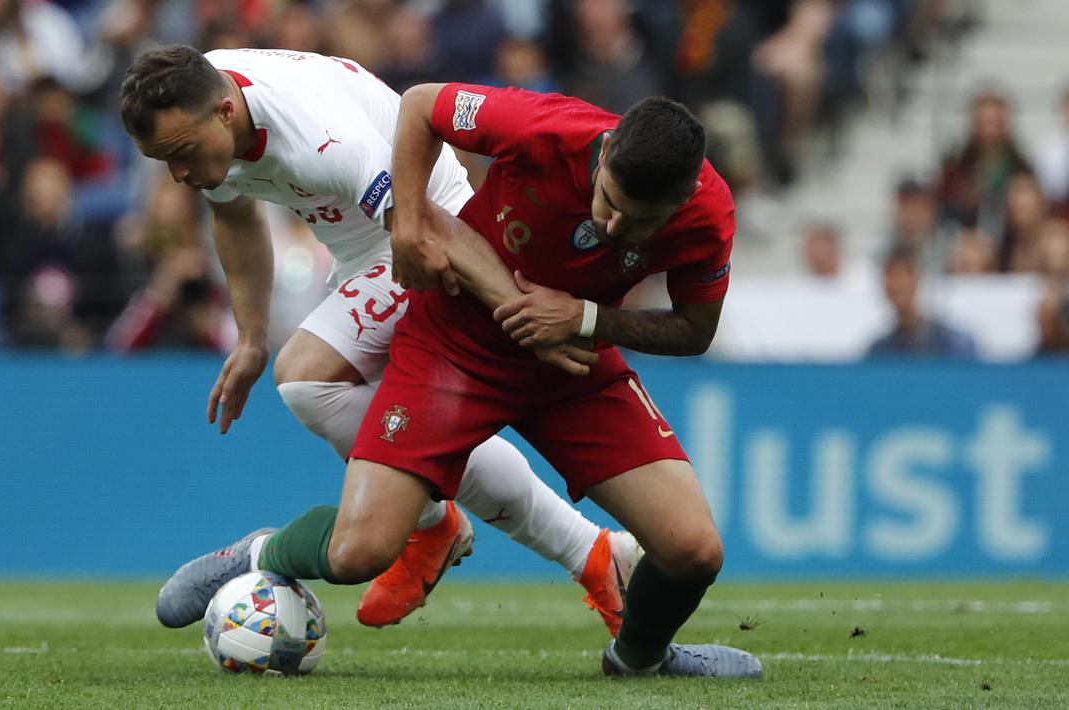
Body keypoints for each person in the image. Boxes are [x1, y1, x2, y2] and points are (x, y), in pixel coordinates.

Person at [233, 82, 762, 677]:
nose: (612, 226)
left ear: (683, 198)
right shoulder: (545, 128)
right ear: (607, 152)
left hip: (572, 367)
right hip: (453, 347)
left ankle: (638, 659)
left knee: (694, 551)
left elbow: (695, 331)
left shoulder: (708, 214)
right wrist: (408, 222)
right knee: (359, 553)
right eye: (609, 200)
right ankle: (256, 553)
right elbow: (422, 104)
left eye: (640, 221)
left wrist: (586, 318)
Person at [118, 45, 641, 635]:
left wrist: (516, 313)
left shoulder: (319, 135)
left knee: (307, 375)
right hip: (364, 249)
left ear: (224, 113)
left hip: (433, 225)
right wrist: (251, 337)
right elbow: (235, 214)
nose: (178, 174)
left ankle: (437, 525)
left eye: (182, 154)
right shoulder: (205, 98)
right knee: (409, 424)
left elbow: (423, 230)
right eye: (164, 160)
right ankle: (587, 553)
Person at [868, 246, 977, 359]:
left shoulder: (950, 342)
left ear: (918, 279)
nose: (898, 283)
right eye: (891, 274)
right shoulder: (879, 349)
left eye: (905, 274)